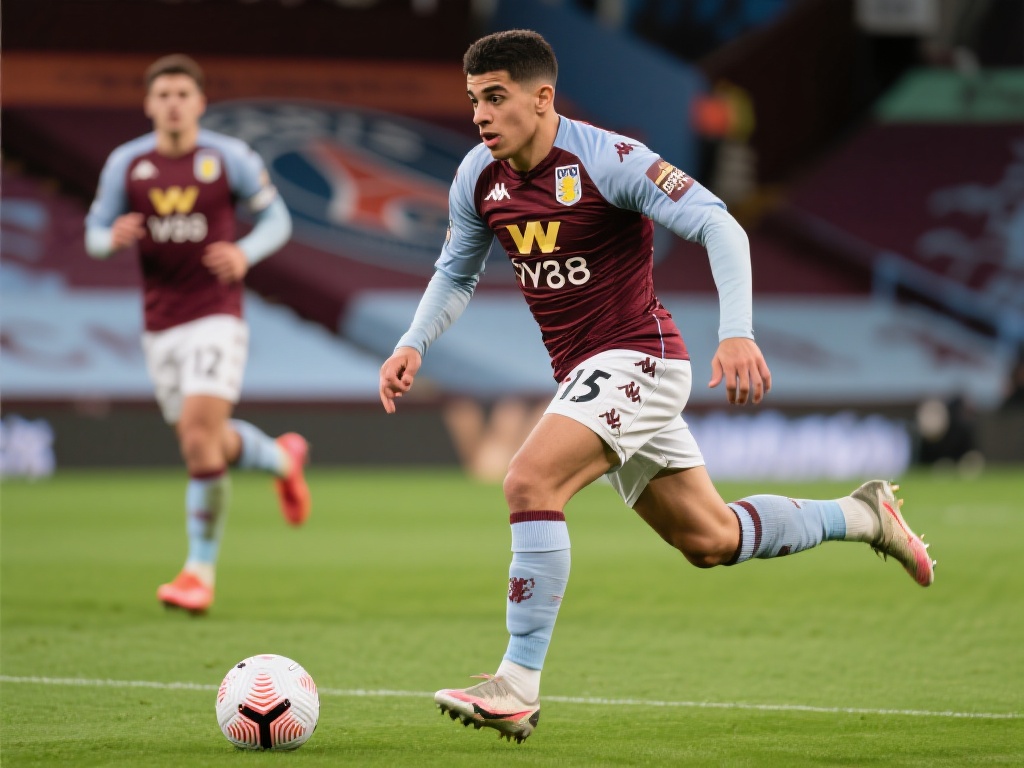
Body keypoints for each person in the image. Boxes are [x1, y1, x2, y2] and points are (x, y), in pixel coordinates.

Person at [379, 29, 936, 744]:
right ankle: (862, 515)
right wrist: (413, 341)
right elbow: (455, 272)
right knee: (711, 539)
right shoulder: (477, 177)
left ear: (542, 98)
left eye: (495, 97)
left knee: (529, 482)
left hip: (639, 359)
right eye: (473, 100)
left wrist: (738, 331)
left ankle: (516, 685)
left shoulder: (609, 159)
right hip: (587, 374)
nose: (481, 115)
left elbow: (720, 226)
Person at [85, 54, 311, 615]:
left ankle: (198, 572)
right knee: (205, 440)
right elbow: (93, 234)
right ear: (149, 104)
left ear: (200, 103)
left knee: (195, 435)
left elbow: (278, 220)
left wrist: (244, 252)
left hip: (216, 315)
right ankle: (282, 459)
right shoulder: (126, 164)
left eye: (183, 94)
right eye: (163, 95)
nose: (173, 104)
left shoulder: (228, 158)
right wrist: (111, 238)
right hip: (159, 325)